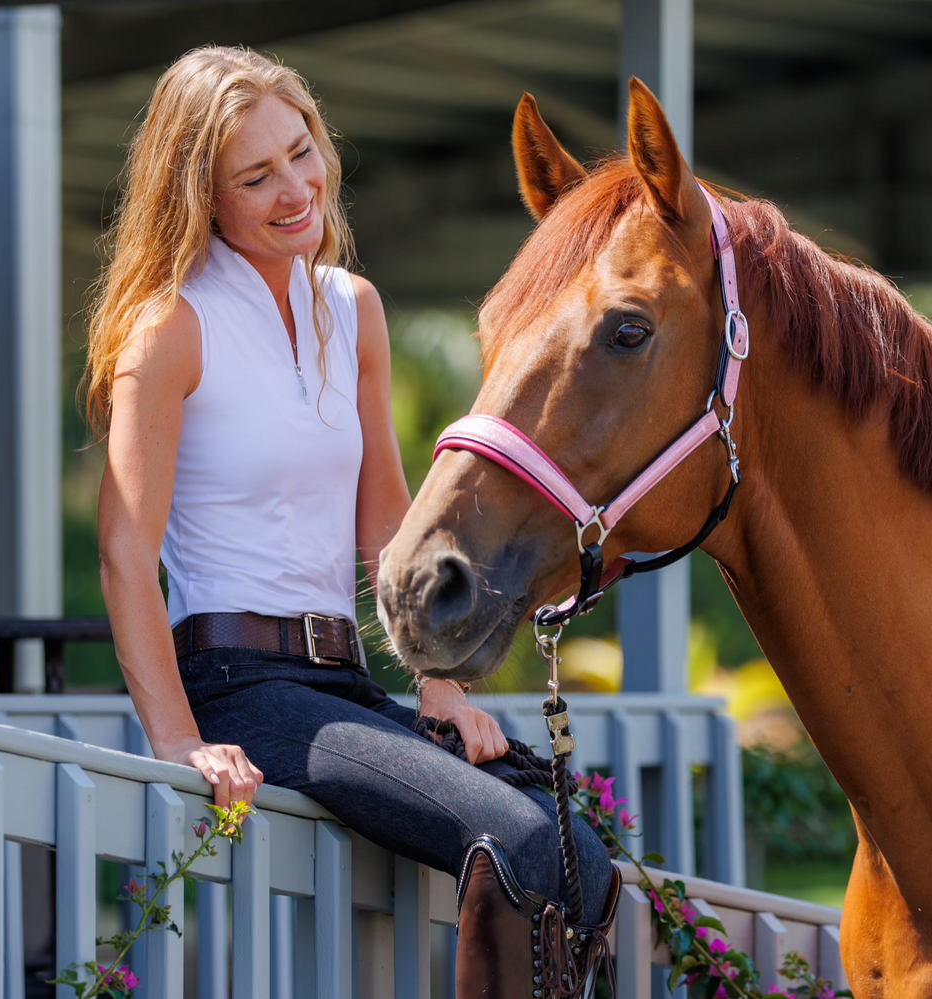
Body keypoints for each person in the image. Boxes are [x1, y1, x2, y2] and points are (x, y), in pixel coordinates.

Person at [83, 45, 617, 997]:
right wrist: (177, 739)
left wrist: (439, 685)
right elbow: (126, 552)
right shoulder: (170, 329)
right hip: (238, 687)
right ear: (201, 196)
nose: (297, 190)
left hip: (343, 681)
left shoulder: (351, 308)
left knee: (584, 853)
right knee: (519, 838)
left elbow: (387, 527)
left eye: (301, 152)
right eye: (256, 176)